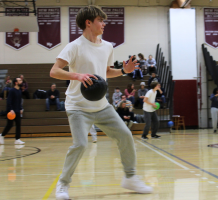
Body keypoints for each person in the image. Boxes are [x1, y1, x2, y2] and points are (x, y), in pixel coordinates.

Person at [49, 5, 152, 199]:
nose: (104, 24)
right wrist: (77, 75)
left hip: (101, 106)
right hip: (78, 107)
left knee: (125, 135)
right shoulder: (74, 46)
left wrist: (124, 71)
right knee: (80, 145)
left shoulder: (107, 46)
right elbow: (54, 71)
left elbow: (105, 71)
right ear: (88, 23)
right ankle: (63, 185)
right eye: (100, 20)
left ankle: (130, 177)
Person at [0, 77, 25, 145]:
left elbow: (19, 102)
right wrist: (11, 109)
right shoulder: (12, 90)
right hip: (11, 111)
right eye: (19, 80)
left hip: (17, 110)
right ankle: (2, 135)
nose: (21, 81)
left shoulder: (19, 91)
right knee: (9, 125)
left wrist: (21, 108)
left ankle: (17, 139)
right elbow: (9, 101)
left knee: (18, 125)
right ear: (16, 83)